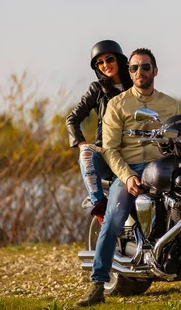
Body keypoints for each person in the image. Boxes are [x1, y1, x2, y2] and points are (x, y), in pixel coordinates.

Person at [76, 48, 179, 307]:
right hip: (129, 168)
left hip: (160, 167)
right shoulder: (118, 104)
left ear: (155, 70)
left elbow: (176, 140)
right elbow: (110, 149)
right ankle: (98, 284)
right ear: (129, 72)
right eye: (134, 68)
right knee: (112, 220)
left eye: (145, 67)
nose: (139, 72)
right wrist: (128, 176)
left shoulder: (170, 104)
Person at [66, 39, 133, 224]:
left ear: (119, 59)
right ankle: (101, 213)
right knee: (87, 154)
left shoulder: (136, 86)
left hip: (135, 151)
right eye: (100, 63)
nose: (106, 65)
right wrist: (81, 143)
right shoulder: (97, 89)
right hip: (108, 154)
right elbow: (72, 119)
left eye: (109, 59)